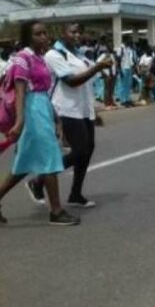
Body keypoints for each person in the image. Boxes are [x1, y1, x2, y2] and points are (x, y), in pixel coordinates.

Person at [26, 22, 114, 209]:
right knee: (80, 150)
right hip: (65, 109)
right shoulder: (54, 54)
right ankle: (39, 181)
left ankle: (75, 194)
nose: (77, 35)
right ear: (62, 33)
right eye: (73, 32)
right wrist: (97, 68)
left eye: (79, 32)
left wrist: (93, 109)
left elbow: (88, 84)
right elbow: (71, 81)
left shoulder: (79, 55)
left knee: (87, 151)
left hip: (83, 109)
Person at [0, 21, 80, 226]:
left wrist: (56, 117)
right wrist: (19, 122)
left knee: (22, 166)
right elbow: (20, 92)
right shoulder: (22, 59)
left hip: (42, 108)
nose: (44, 37)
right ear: (28, 37)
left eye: (45, 33)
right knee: (49, 160)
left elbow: (44, 91)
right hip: (31, 112)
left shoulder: (40, 59)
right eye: (38, 34)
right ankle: (56, 211)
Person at [115, 36, 137, 107]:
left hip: (129, 68)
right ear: (125, 41)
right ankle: (123, 100)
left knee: (128, 85)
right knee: (123, 85)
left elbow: (132, 60)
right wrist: (119, 70)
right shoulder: (120, 49)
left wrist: (133, 68)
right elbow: (118, 60)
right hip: (123, 68)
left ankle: (127, 99)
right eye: (129, 40)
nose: (130, 41)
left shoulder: (129, 49)